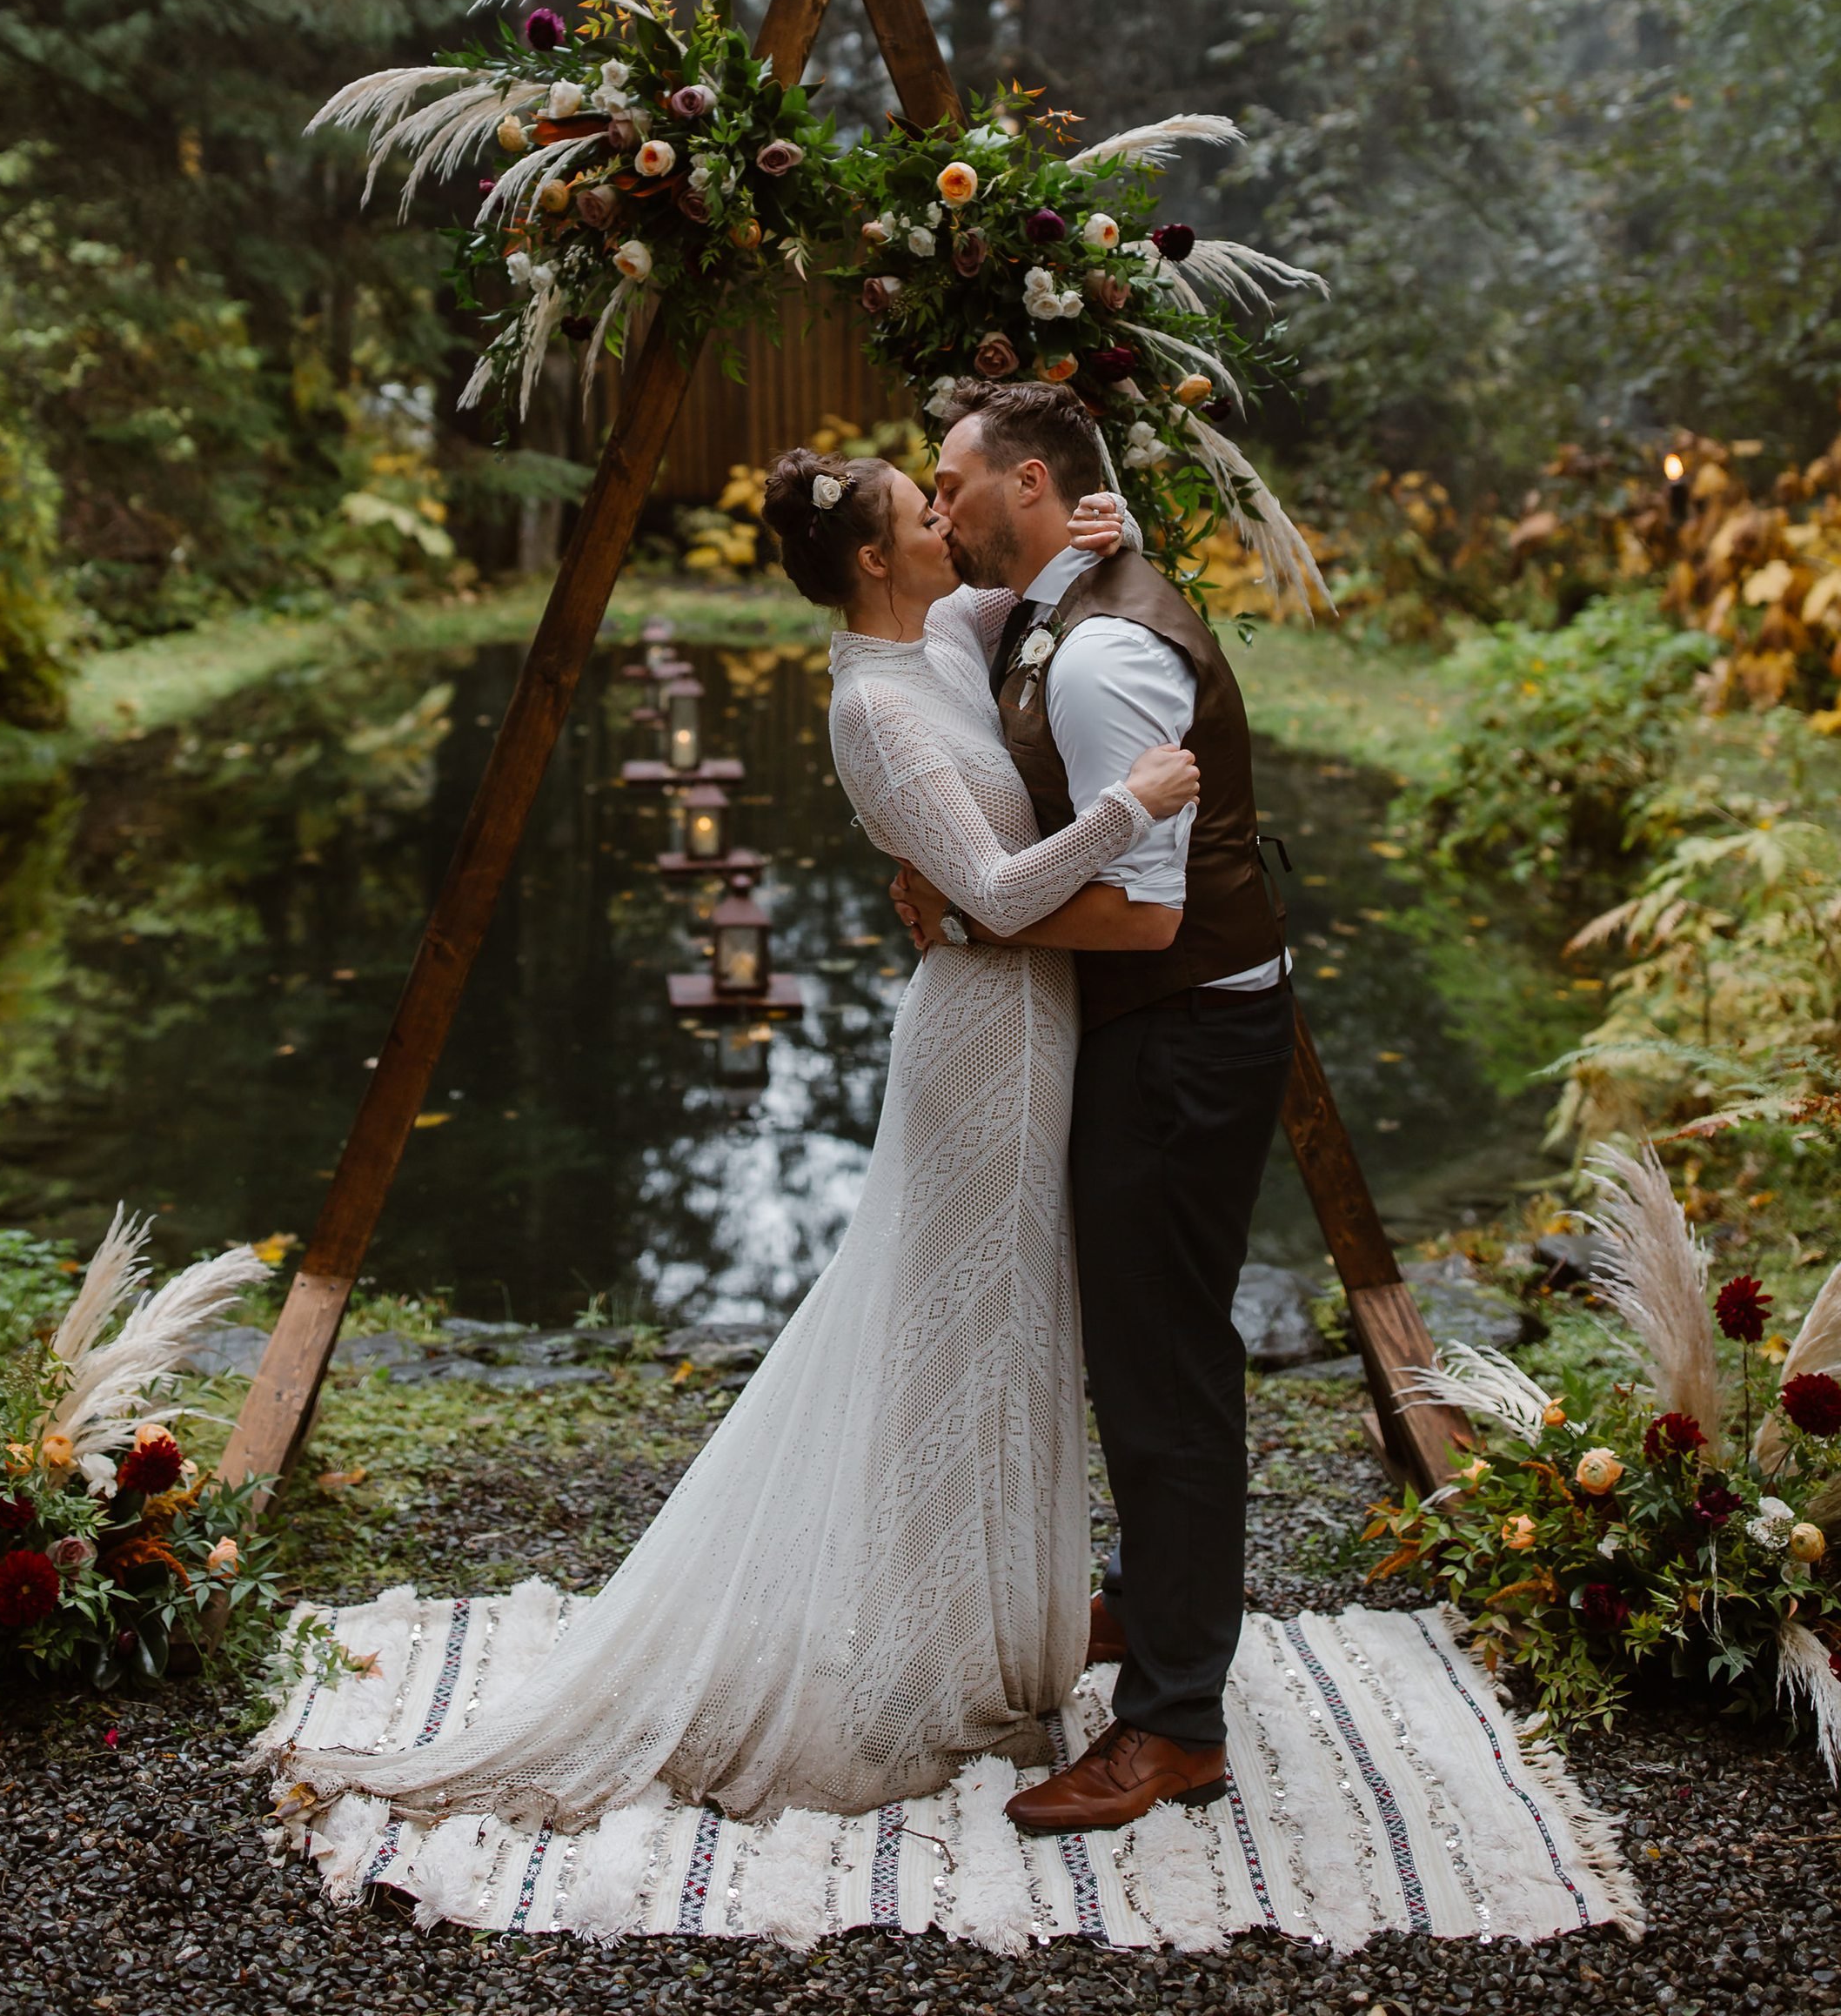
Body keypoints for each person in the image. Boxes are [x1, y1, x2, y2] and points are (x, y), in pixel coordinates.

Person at [277, 452, 1197, 1837]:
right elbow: (1001, 892)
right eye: (921, 512)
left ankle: (995, 1646)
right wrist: (1136, 804)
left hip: (1035, 1034)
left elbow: (1026, 610)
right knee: (947, 1340)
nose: (946, 522)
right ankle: (909, 1674)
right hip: (983, 1046)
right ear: (878, 559)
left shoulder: (940, 632)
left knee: (1010, 1334)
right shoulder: (873, 710)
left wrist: (1087, 538)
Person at [894, 378, 1295, 1839]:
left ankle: (1178, 1725)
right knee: (1140, 1343)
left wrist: (966, 917)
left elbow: (1137, 918)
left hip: (1182, 1034)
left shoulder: (1102, 652)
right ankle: (1153, 1603)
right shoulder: (1060, 602)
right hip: (1163, 1030)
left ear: (1033, 486)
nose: (937, 506)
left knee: (1163, 1366)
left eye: (954, 481)